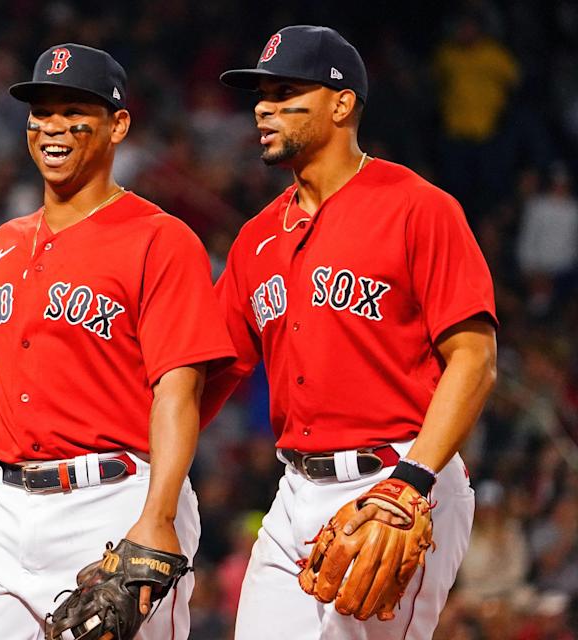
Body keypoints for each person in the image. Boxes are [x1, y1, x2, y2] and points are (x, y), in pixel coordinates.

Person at [205, 25, 498, 639]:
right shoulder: (257, 237)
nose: (264, 106)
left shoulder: (418, 208)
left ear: (341, 104)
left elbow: (474, 360)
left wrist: (411, 484)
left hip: (397, 481)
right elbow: (207, 371)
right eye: (261, 94)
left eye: (287, 93)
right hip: (293, 492)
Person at [0, 43, 236, 639]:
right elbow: (0, 366)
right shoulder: (6, 241)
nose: (52, 127)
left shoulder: (160, 238)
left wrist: (157, 517)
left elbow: (179, 388)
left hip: (110, 502)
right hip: (5, 509)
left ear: (118, 124)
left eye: (73, 110)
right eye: (40, 111)